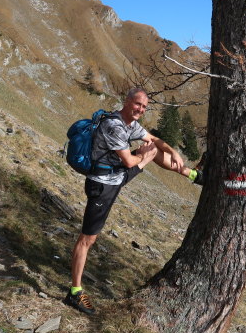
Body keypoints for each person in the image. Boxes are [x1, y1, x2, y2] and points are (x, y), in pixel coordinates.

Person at [64, 87, 203, 314]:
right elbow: (129, 162)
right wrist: (145, 156)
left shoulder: (131, 124)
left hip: (115, 177)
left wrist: (174, 153)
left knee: (154, 149)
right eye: (138, 104)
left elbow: (155, 138)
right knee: (87, 239)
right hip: (103, 185)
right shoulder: (114, 125)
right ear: (127, 102)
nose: (140, 110)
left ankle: (194, 176)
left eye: (144, 107)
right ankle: (75, 293)